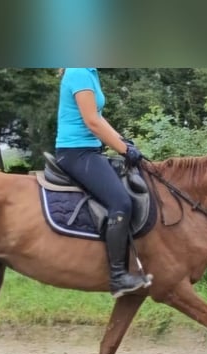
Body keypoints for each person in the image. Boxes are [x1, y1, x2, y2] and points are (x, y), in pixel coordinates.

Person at [54, 67, 149, 298]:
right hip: (76, 152)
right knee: (121, 202)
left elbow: (98, 115)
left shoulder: (90, 71)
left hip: (89, 150)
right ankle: (118, 276)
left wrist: (122, 140)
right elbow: (92, 122)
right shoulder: (78, 71)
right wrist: (124, 150)